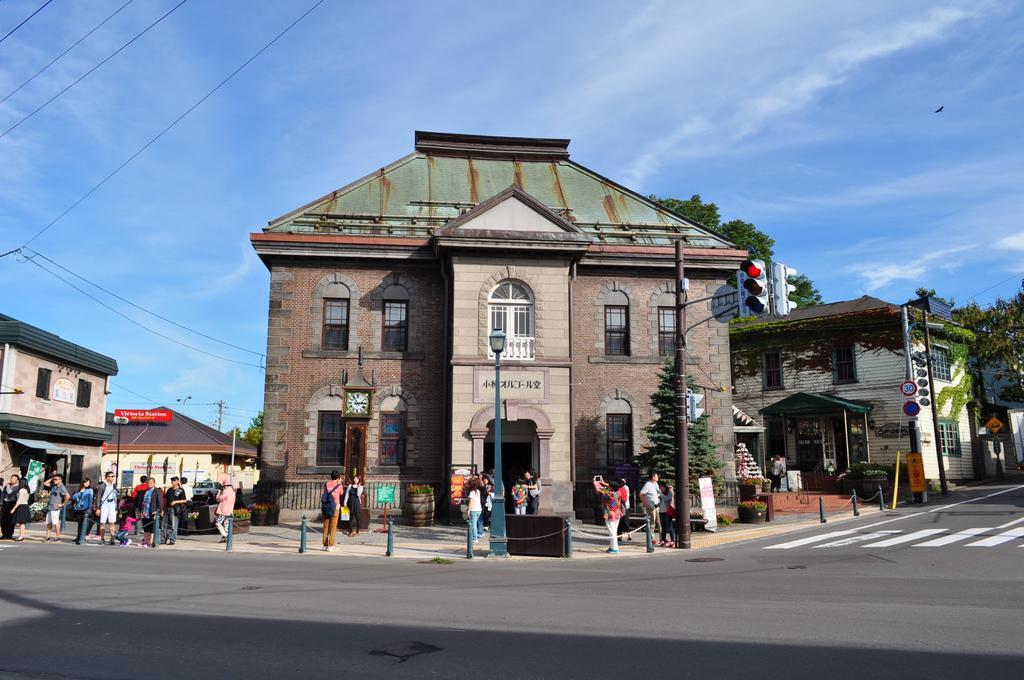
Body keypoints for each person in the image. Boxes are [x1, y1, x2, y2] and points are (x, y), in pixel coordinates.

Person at [593, 477, 623, 554]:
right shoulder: (618, 492)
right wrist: (603, 482)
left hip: (610, 514)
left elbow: (598, 490)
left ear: (611, 487)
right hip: (617, 513)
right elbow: (612, 487)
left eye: (609, 486)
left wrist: (595, 483)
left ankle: (614, 548)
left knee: (611, 532)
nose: (608, 486)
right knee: (614, 531)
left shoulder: (609, 494)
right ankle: (612, 547)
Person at [93, 471, 119, 545]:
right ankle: (102, 539)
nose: (113, 477)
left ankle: (112, 538)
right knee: (102, 523)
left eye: (113, 476)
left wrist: (116, 508)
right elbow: (98, 497)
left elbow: (116, 497)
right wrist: (98, 508)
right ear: (107, 477)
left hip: (112, 505)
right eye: (112, 476)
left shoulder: (114, 485)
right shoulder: (102, 486)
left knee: (112, 522)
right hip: (104, 505)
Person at [42, 473, 69, 543]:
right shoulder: (54, 486)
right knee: (48, 522)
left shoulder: (62, 487)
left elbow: (68, 496)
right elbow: (45, 483)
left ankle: (58, 537)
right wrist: (52, 478)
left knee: (56, 522)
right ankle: (48, 537)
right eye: (54, 479)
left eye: (56, 479)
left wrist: (63, 504)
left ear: (61, 480)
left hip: (55, 507)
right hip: (50, 507)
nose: (54, 480)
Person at [321, 470, 344, 551]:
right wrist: (339, 483)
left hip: (326, 507)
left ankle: (324, 545)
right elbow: (341, 493)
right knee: (333, 527)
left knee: (326, 526)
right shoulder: (339, 485)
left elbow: (324, 493)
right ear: (338, 477)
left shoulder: (326, 484)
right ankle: (331, 545)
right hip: (335, 508)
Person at [137, 477, 164, 548]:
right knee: (146, 527)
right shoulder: (146, 491)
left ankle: (150, 542)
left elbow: (160, 502)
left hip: (152, 511)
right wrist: (141, 511)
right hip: (145, 511)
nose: (149, 484)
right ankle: (146, 541)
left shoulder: (157, 491)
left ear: (154, 483)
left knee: (151, 528)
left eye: (151, 483)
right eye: (148, 483)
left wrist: (157, 511)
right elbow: (143, 501)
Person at [163, 477, 187, 545]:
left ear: (177, 481)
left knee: (174, 526)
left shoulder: (181, 490)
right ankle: (163, 539)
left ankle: (172, 540)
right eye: (172, 480)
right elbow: (165, 499)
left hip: (174, 509)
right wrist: (163, 508)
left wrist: (176, 502)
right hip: (167, 508)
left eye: (174, 480)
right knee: (164, 525)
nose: (172, 482)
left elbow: (184, 500)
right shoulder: (170, 489)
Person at [70, 478, 94, 545]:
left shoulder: (90, 490)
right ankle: (78, 537)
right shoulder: (80, 490)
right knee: (80, 524)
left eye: (88, 482)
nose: (87, 484)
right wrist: (80, 492)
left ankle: (81, 536)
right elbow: (74, 497)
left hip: (85, 509)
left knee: (87, 523)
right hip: (78, 509)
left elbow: (90, 500)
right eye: (85, 482)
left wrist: (89, 508)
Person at [639, 472, 661, 536]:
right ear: (653, 477)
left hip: (658, 506)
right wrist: (645, 503)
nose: (657, 477)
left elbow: (658, 492)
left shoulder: (656, 483)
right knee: (652, 523)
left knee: (660, 523)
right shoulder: (647, 484)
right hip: (651, 506)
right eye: (656, 476)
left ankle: (662, 538)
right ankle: (651, 538)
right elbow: (641, 494)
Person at [214, 478, 235, 544]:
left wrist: (218, 493)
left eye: (223, 486)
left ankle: (225, 535)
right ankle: (225, 538)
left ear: (225, 486)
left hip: (223, 510)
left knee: (218, 523)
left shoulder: (226, 491)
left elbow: (219, 499)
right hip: (229, 510)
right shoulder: (233, 492)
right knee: (226, 524)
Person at [1, 474, 19, 540]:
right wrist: (2, 501)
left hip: (12, 503)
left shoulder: (17, 487)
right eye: (11, 478)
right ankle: (4, 534)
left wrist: (7, 485)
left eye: (14, 479)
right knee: (3, 520)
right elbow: (3, 494)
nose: (12, 480)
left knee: (10, 520)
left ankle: (9, 535)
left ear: (17, 480)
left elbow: (9, 492)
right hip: (5, 503)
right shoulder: (7, 486)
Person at [658, 482, 676, 547]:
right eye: (659, 488)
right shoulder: (661, 493)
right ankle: (663, 540)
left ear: (664, 487)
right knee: (663, 527)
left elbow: (667, 499)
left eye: (661, 487)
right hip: (661, 511)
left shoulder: (669, 492)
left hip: (667, 512)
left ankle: (673, 540)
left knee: (669, 526)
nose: (660, 489)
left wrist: (661, 494)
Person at [465, 477, 482, 545]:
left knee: (473, 525)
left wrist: (468, 510)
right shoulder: (478, 491)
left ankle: (474, 538)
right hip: (479, 509)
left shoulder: (472, 492)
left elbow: (471, 502)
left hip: (474, 510)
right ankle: (474, 537)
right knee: (474, 524)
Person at [617, 478, 632, 542]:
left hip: (624, 507)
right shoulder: (618, 489)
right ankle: (620, 536)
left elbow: (624, 499)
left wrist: (624, 507)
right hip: (619, 507)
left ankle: (629, 534)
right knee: (620, 522)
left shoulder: (625, 488)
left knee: (625, 521)